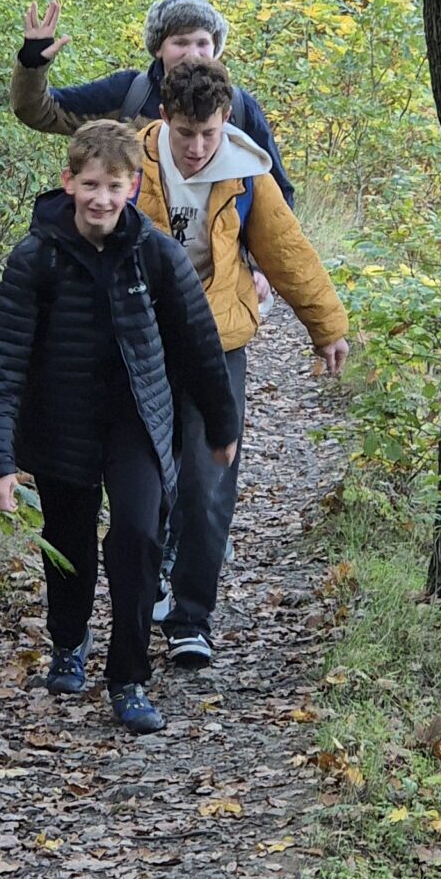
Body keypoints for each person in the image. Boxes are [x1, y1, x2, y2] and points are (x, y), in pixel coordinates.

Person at [0, 118, 239, 735]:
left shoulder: (155, 252)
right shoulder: (36, 257)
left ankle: (128, 678)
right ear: (68, 182)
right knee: (67, 542)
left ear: (133, 187)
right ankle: (69, 642)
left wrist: (221, 425)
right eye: (91, 184)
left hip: (137, 423)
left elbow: (199, 344)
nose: (101, 199)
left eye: (114, 186)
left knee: (138, 539)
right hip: (61, 423)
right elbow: (3, 361)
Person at [133, 59, 349, 668]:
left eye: (209, 133)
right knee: (143, 481)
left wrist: (327, 326)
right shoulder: (132, 163)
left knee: (208, 482)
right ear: (163, 117)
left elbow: (286, 249)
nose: (198, 148)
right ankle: (141, 593)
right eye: (185, 133)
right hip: (140, 342)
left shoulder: (246, 171)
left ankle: (190, 618)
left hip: (217, 339)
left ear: (226, 119)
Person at [9, 0, 296, 210]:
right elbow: (40, 112)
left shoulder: (240, 108)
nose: (193, 53)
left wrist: (258, 262)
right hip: (136, 255)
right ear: (158, 47)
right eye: (180, 42)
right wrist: (33, 62)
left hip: (218, 264)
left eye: (202, 43)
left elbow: (277, 192)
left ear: (216, 48)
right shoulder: (129, 94)